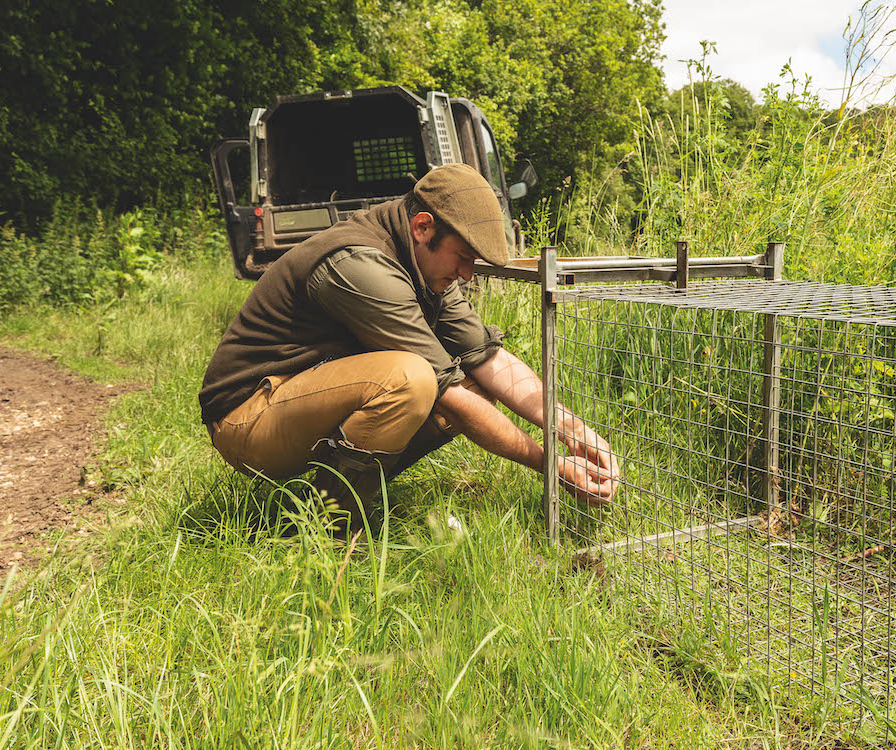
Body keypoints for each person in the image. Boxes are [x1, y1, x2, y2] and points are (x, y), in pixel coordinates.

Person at [198, 163, 619, 535]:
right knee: (412, 380)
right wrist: (552, 465)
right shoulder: (358, 264)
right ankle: (332, 524)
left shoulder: (424, 264)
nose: (466, 274)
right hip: (246, 419)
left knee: (476, 387)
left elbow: (489, 360)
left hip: (301, 401)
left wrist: (575, 432)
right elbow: (445, 395)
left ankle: (330, 493)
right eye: (464, 256)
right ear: (423, 227)